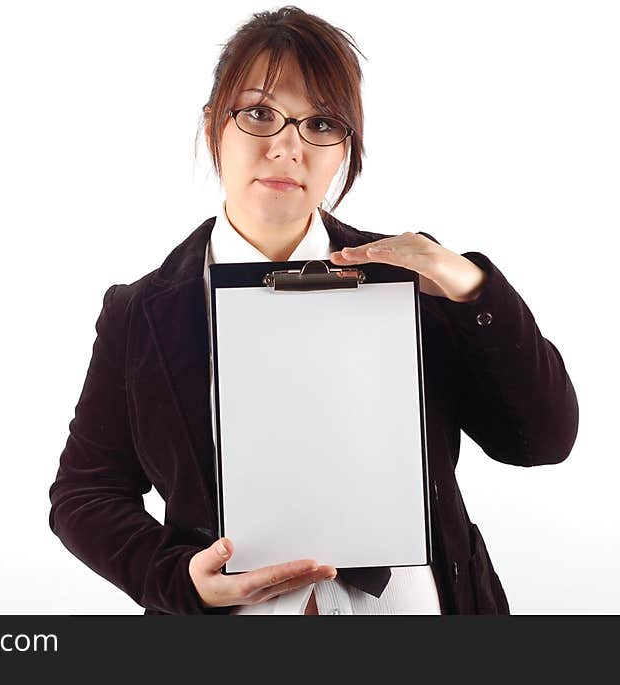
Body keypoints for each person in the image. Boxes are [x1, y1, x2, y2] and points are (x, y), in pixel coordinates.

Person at [47, 6, 579, 615]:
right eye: (258, 113)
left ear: (345, 146)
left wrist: (472, 286)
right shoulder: (141, 311)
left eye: (320, 123)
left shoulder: (412, 282)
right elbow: (85, 492)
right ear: (212, 125)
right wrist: (176, 578)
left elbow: (542, 440)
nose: (286, 146)